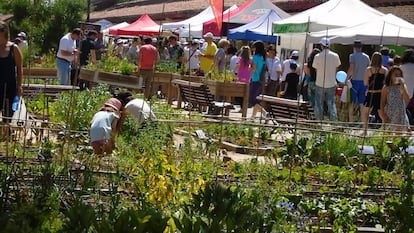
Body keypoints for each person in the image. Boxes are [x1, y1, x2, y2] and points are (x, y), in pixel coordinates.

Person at [312, 37, 341, 121]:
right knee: (331, 104)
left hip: (320, 82)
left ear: (321, 45)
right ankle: (334, 121)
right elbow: (336, 69)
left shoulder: (317, 56)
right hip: (332, 82)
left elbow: (316, 69)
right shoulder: (335, 56)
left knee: (318, 104)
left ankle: (318, 121)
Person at [0, 21, 23, 122]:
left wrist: (19, 86)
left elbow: (19, 68)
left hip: (9, 87)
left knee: (8, 115)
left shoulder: (14, 49)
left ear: (3, 32)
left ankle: (6, 135)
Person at [380, 66, 410, 132]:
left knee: (401, 132)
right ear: (391, 76)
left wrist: (403, 87)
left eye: (399, 75)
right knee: (389, 132)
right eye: (396, 75)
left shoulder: (402, 86)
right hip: (390, 113)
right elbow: (382, 102)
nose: (398, 77)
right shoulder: (386, 87)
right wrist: (383, 115)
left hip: (400, 112)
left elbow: (407, 98)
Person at [362, 52, 387, 131]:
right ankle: (385, 129)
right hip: (380, 94)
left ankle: (365, 130)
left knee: (365, 112)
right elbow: (386, 83)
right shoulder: (384, 70)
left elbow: (365, 82)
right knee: (381, 113)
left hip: (371, 93)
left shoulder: (369, 70)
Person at [346, 40, 370, 122]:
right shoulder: (366, 57)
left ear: (354, 48)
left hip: (355, 81)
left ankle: (351, 120)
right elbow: (368, 69)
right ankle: (362, 120)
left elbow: (351, 68)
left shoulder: (352, 56)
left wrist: (346, 78)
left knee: (352, 101)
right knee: (362, 102)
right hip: (364, 81)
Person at [249, 40, 267, 118]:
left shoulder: (255, 58)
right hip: (261, 80)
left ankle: (265, 113)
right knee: (257, 99)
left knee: (253, 100)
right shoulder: (263, 58)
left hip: (255, 79)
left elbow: (253, 69)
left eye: (253, 47)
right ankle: (253, 116)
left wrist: (248, 69)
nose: (252, 49)